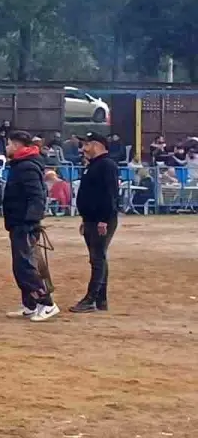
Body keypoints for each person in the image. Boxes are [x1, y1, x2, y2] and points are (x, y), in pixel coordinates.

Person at [2, 131, 57, 321]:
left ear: (17, 145)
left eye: (8, 143)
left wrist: (30, 222)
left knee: (25, 266)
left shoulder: (26, 166)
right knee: (21, 265)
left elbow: (37, 196)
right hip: (18, 222)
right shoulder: (22, 165)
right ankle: (30, 304)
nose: (6, 147)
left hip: (23, 224)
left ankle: (47, 303)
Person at [72, 131, 120, 313]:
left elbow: (110, 195)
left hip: (102, 219)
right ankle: (101, 300)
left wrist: (103, 219)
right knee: (98, 258)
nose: (83, 149)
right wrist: (86, 218)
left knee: (97, 258)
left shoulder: (107, 165)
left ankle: (91, 299)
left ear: (98, 145)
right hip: (92, 219)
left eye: (87, 144)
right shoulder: (94, 165)